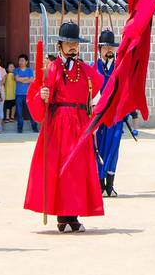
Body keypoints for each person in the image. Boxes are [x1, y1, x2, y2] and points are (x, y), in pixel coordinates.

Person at [23, 22, 104, 232]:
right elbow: (38, 99)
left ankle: (73, 215)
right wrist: (42, 97)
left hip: (79, 123)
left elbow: (98, 86)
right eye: (68, 43)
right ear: (60, 45)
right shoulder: (51, 69)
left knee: (77, 170)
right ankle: (61, 215)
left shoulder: (84, 70)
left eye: (75, 43)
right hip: (58, 124)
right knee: (60, 169)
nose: (72, 47)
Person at [92, 29, 128, 196]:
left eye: (111, 48)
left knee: (113, 147)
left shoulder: (119, 68)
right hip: (99, 115)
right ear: (99, 49)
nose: (109, 51)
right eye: (105, 47)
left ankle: (110, 184)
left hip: (115, 116)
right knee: (99, 147)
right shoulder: (94, 68)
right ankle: (99, 183)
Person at [11, 53, 37, 132]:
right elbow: (16, 79)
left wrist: (22, 79)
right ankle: (20, 128)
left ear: (26, 62)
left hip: (28, 94)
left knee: (30, 111)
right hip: (18, 94)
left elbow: (32, 80)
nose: (20, 62)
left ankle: (34, 127)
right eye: (19, 60)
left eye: (22, 60)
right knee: (19, 112)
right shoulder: (16, 70)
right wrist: (26, 79)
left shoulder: (29, 70)